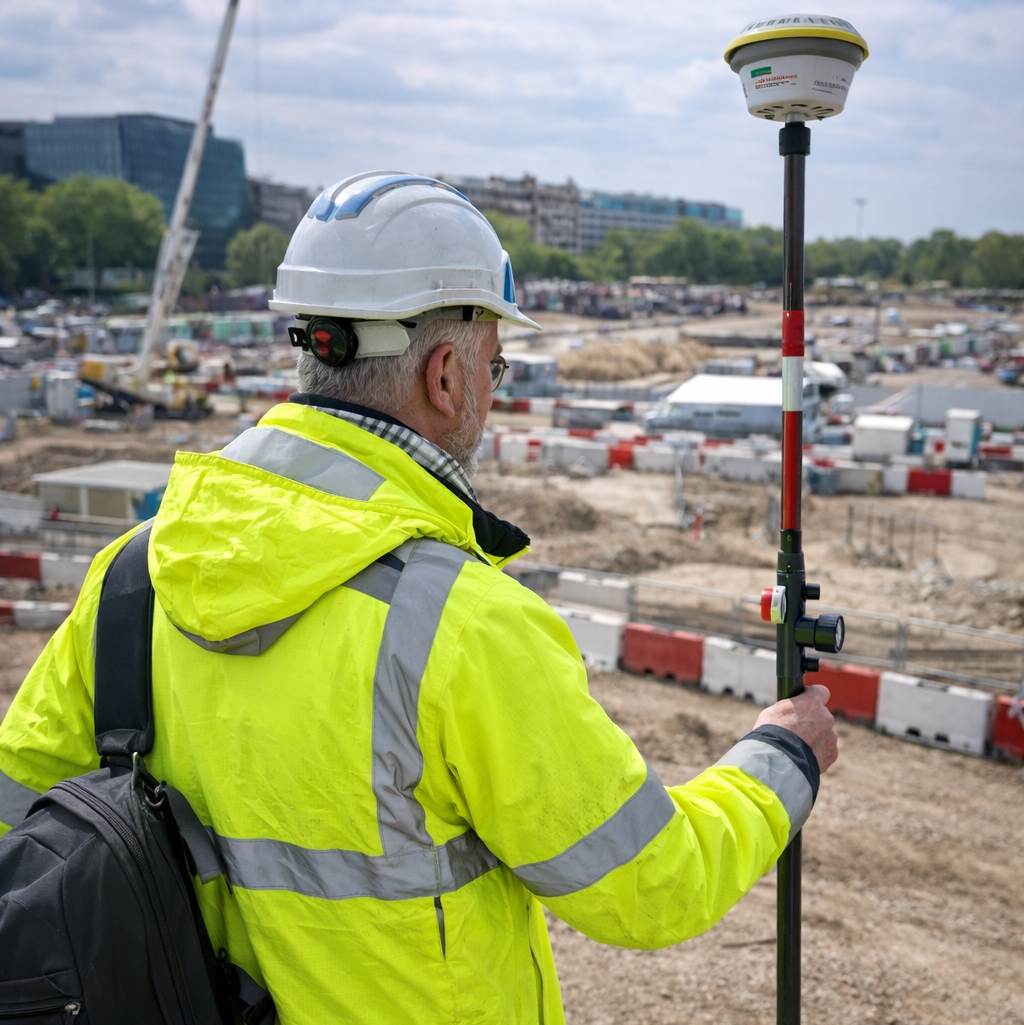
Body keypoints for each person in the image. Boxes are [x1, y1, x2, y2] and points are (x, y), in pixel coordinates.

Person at [0, 172, 837, 1024]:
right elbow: (652, 883)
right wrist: (780, 760)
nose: (495, 388)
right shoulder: (458, 625)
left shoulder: (131, 579)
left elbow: (17, 824)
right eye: (494, 362)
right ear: (445, 375)